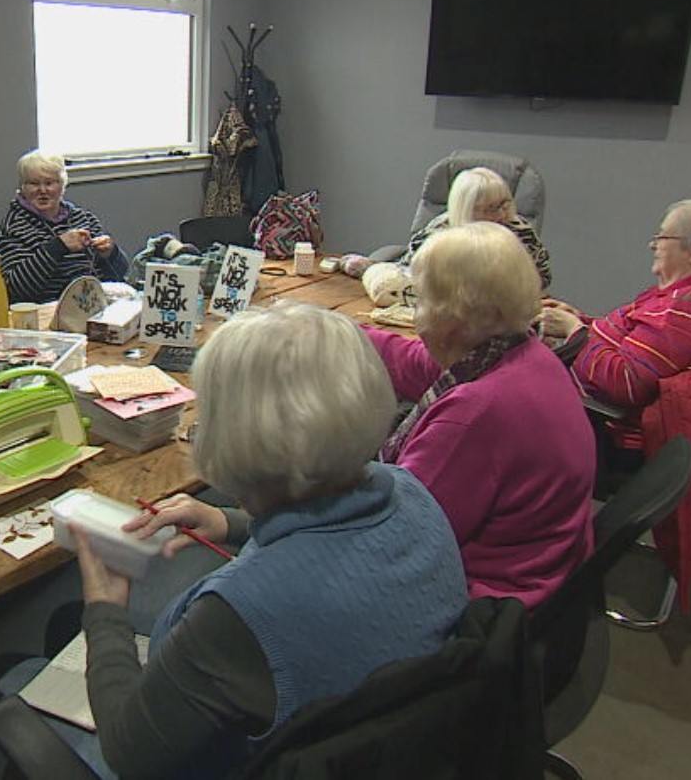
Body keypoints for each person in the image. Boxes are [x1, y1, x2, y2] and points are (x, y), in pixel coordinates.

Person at [70, 302, 468, 778]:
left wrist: (105, 610)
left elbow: (128, 751)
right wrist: (230, 522)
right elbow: (331, 526)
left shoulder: (238, 615)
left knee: (18, 672)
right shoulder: (413, 492)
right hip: (403, 749)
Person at [362, 222, 593, 609]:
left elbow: (392, 536)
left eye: (419, 299)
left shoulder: (475, 415)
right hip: (547, 575)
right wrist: (335, 332)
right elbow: (414, 362)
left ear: (451, 316)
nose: (416, 313)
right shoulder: (524, 355)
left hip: (484, 603)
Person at [538, 197, 691, 413]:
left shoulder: (683, 311)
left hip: (596, 419)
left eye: (662, 237)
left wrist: (575, 332)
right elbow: (633, 340)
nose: (653, 246)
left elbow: (626, 383)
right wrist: (581, 321)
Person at [0, 149, 127, 303]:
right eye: (34, 184)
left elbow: (119, 274)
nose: (42, 191)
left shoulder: (83, 218)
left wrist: (110, 253)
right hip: (45, 311)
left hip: (94, 304)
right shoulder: (14, 227)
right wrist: (58, 246)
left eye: (49, 183)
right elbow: (14, 290)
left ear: (62, 186)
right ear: (22, 187)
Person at [403, 166, 552, 289]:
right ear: (467, 209)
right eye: (491, 208)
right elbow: (411, 278)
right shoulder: (436, 236)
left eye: (505, 204)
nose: (501, 214)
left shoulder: (520, 230)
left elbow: (542, 277)